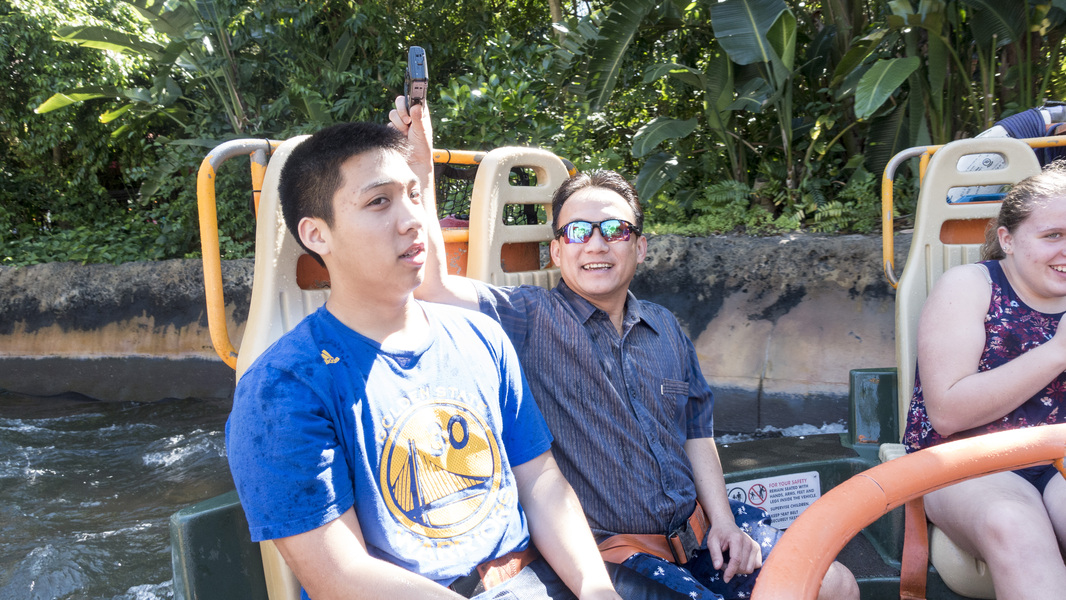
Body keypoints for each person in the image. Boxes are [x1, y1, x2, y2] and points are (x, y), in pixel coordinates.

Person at [392, 99, 859, 600]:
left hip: (702, 534)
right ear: (557, 251)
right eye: (577, 231)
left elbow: (696, 432)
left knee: (834, 583)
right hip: (620, 557)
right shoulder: (529, 318)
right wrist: (420, 166)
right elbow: (433, 288)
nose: (596, 244)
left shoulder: (665, 327)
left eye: (614, 230)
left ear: (639, 246)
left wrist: (723, 522)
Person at [225, 120, 630, 600]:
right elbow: (339, 576)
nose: (412, 218)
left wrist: (596, 588)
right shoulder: (283, 389)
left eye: (414, 195)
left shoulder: (482, 337)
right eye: (380, 201)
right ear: (317, 234)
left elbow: (540, 481)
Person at [904, 163, 1066, 599]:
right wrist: (1057, 352)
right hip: (967, 463)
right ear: (1008, 239)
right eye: (1053, 235)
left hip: (1059, 462)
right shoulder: (969, 287)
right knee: (1013, 522)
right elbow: (947, 412)